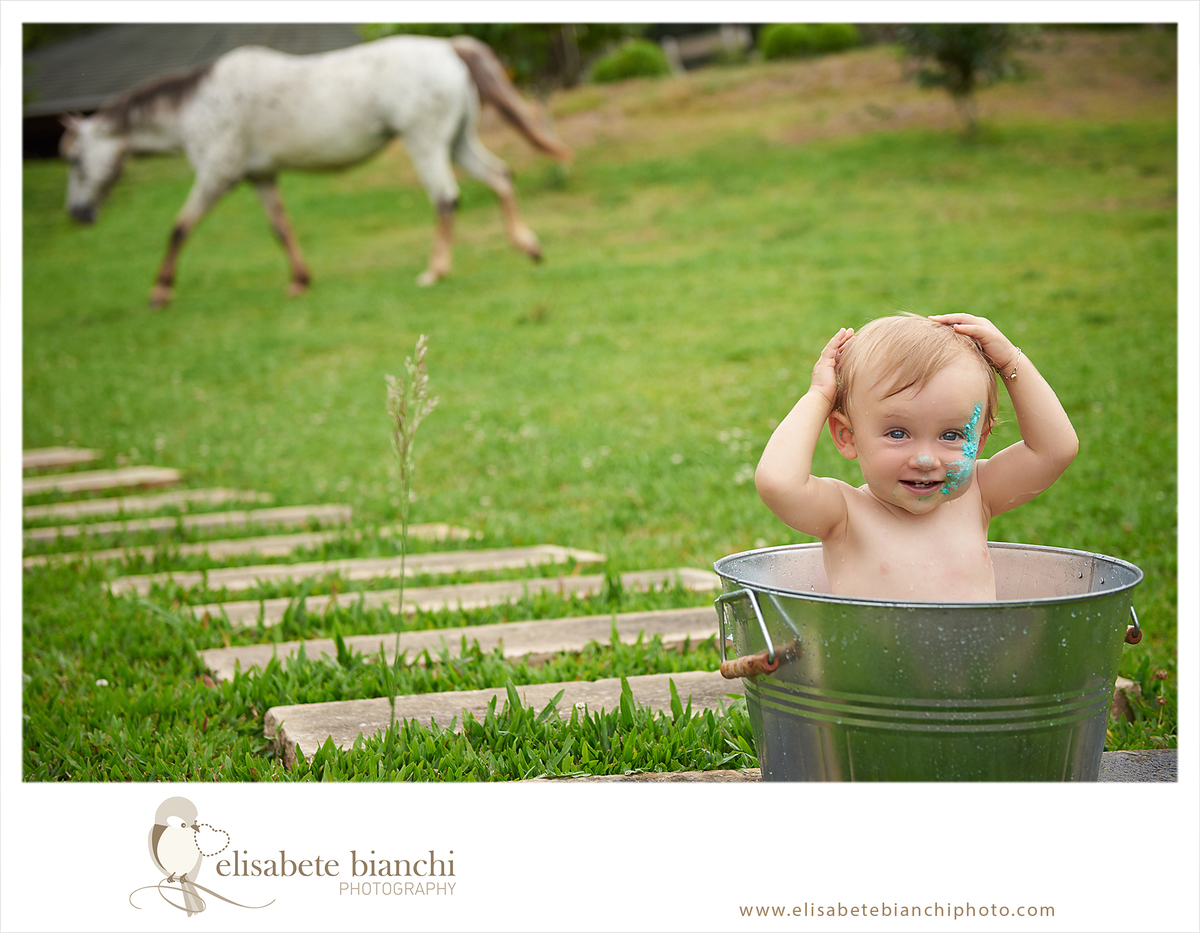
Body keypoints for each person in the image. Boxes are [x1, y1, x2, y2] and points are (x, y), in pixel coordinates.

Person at [754, 312, 1078, 601]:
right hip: (875, 670)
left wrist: (1012, 364)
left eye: (951, 436)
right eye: (898, 434)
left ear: (978, 443)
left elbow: (1054, 450)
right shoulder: (846, 515)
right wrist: (819, 395)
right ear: (847, 436)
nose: (925, 460)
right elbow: (778, 483)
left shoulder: (977, 495)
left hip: (975, 668)